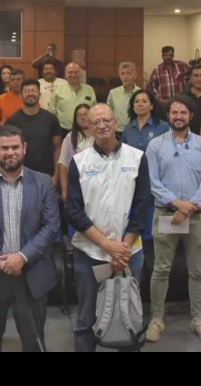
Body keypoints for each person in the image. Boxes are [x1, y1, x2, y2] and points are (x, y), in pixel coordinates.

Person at [0, 126, 60, 352]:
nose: (10, 152)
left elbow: (51, 226)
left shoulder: (43, 182)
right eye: (4, 148)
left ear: (24, 148)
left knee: (34, 344)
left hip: (31, 274)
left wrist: (22, 257)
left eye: (15, 147)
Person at [67, 104, 151, 352]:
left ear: (116, 122)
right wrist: (108, 246)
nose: (102, 126)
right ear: (89, 127)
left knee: (129, 314)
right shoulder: (79, 161)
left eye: (106, 120)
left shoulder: (137, 158)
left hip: (129, 253)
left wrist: (122, 249)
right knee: (86, 318)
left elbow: (142, 206)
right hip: (90, 254)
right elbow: (74, 211)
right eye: (96, 122)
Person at [144, 95, 201, 345]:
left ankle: (198, 319)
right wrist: (177, 204)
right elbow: (152, 181)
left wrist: (189, 207)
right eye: (174, 112)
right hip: (167, 215)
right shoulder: (155, 145)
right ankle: (156, 319)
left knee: (197, 271)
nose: (178, 116)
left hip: (196, 216)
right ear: (168, 116)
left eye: (183, 112)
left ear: (191, 116)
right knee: (160, 270)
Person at [5, 79, 63, 188]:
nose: (30, 93)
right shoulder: (12, 120)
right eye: (26, 91)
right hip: (19, 176)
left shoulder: (51, 119)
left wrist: (56, 175)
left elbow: (58, 148)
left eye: (34, 90)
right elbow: (7, 150)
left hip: (46, 176)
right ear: (21, 95)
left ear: (39, 95)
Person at [57, 104, 93, 202]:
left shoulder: (99, 136)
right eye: (79, 115)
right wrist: (64, 190)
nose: (83, 117)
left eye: (86, 114)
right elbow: (63, 164)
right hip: (76, 185)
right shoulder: (70, 138)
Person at [49, 62, 96, 133]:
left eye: (76, 72)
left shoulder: (89, 89)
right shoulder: (58, 90)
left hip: (85, 130)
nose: (73, 75)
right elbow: (52, 112)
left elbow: (94, 111)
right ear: (65, 75)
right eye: (70, 72)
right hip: (63, 131)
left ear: (81, 74)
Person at [106, 62, 141, 133]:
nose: (125, 76)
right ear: (119, 76)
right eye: (122, 74)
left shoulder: (141, 93)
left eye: (128, 73)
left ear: (135, 75)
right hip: (117, 131)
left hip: (136, 131)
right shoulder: (113, 93)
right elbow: (108, 113)